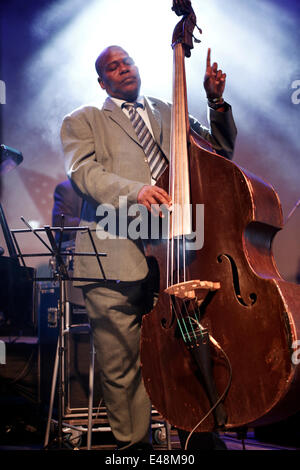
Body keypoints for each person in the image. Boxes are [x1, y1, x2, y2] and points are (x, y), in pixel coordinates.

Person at [60, 45, 237, 450]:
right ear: (101, 81)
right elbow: (84, 174)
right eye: (112, 67)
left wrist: (215, 101)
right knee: (121, 365)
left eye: (128, 62)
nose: (123, 69)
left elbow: (220, 152)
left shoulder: (168, 110)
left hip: (176, 252)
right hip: (114, 254)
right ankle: (135, 450)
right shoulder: (83, 119)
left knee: (189, 347)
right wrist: (135, 190)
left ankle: (201, 434)